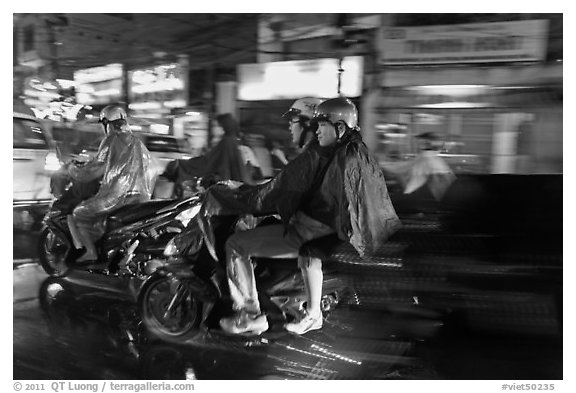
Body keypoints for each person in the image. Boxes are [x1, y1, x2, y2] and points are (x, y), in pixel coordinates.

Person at [204, 97, 400, 335]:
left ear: (336, 128)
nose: (290, 127)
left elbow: (272, 194)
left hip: (310, 233)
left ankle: (250, 314)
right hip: (327, 232)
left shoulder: (318, 156)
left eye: (296, 122)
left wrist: (227, 195)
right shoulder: (349, 151)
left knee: (236, 245)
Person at [67, 105, 158, 263]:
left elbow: (94, 170)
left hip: (117, 197)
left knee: (79, 213)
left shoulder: (111, 140)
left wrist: (74, 170)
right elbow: (152, 171)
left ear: (106, 122)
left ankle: (90, 252)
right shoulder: (138, 143)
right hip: (142, 198)